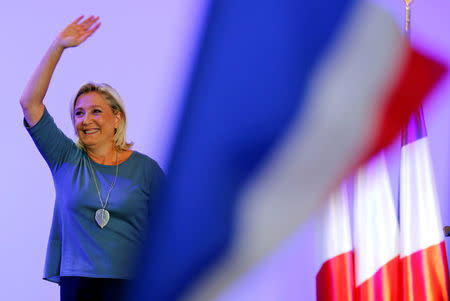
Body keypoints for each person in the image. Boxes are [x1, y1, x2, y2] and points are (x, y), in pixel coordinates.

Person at [20, 16, 165, 300]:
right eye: (79, 113)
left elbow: (171, 228)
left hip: (132, 284)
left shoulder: (146, 169)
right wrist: (58, 46)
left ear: (116, 118)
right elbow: (30, 103)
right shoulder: (65, 159)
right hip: (78, 285)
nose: (86, 120)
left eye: (96, 111)